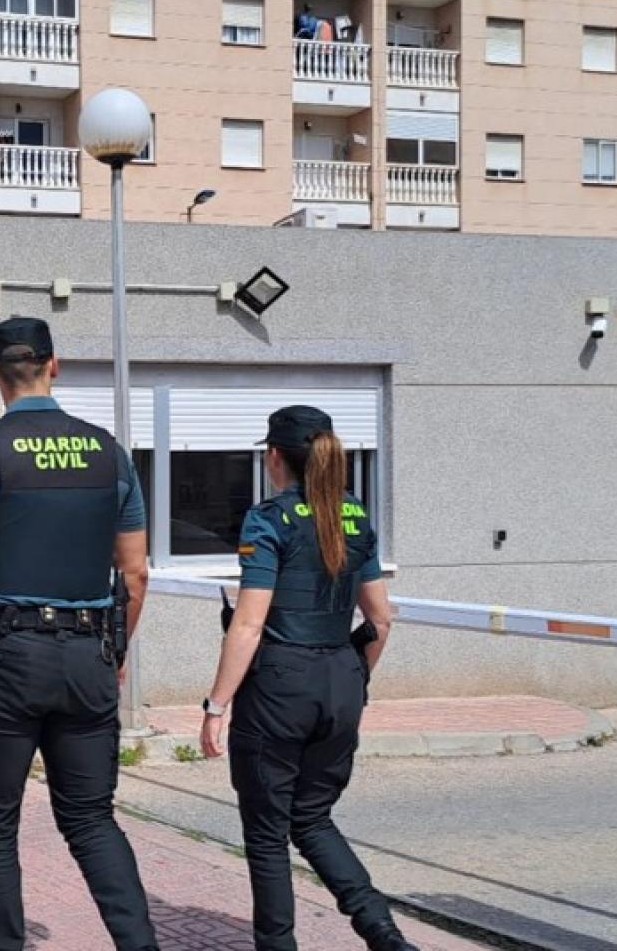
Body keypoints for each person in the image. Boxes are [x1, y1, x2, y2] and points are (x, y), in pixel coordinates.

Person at [0, 317, 159, 951]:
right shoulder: (110, 455)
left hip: (4, 663)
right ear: (56, 366)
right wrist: (117, 653)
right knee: (91, 820)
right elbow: (135, 573)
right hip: (88, 657)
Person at [199, 405, 417, 951]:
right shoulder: (354, 515)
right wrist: (351, 681)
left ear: (275, 457)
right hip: (340, 683)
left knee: (268, 836)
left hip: (279, 687)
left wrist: (216, 706)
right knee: (314, 819)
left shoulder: (268, 519)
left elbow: (249, 623)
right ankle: (384, 935)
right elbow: (381, 619)